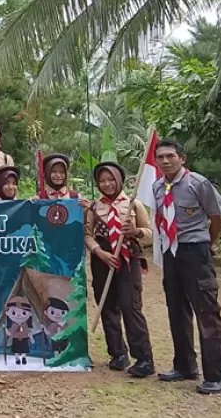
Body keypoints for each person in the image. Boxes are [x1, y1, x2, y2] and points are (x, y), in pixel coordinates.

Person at [152, 140, 221, 395]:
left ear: (182, 158)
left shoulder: (198, 183)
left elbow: (216, 219)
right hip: (171, 252)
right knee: (176, 309)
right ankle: (184, 365)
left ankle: (217, 376)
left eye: (170, 156)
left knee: (206, 312)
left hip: (196, 251)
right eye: (160, 157)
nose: (165, 161)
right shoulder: (157, 186)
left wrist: (207, 245)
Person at [85, 161, 154, 378]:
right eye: (102, 180)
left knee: (130, 306)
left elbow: (150, 232)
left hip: (127, 258)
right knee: (107, 305)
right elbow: (87, 234)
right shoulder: (94, 207)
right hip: (102, 258)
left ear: (119, 180)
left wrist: (135, 231)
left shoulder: (134, 205)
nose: (107, 184)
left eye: (111, 179)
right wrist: (99, 252)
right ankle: (117, 353)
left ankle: (144, 359)